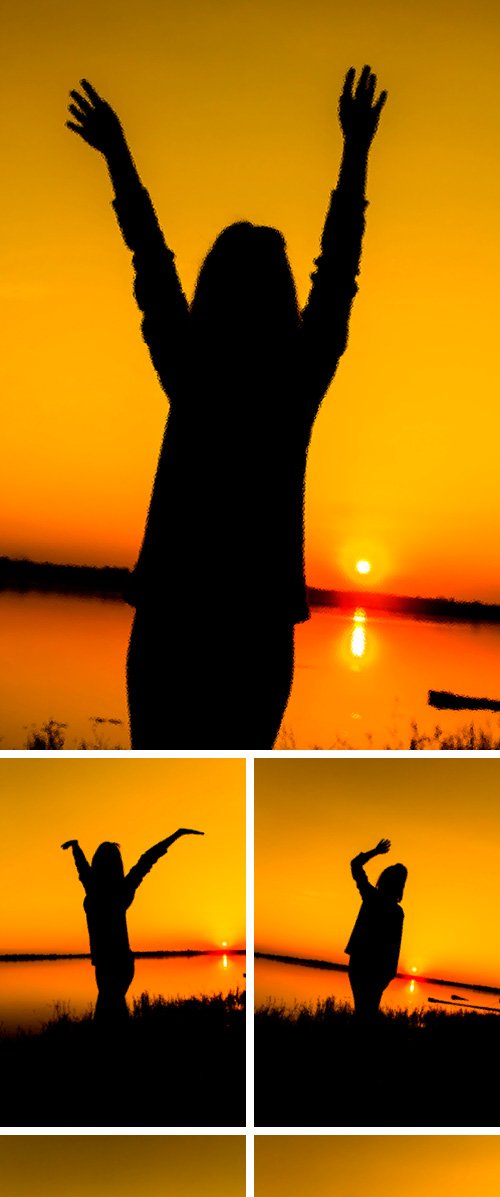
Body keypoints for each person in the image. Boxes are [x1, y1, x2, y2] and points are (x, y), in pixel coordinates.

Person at [67, 66, 387, 749]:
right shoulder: (291, 383)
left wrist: (118, 155)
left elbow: (150, 260)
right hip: (251, 632)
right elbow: (338, 274)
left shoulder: (194, 369)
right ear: (280, 300)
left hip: (173, 623)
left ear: (211, 290)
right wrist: (355, 150)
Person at [62, 827, 203, 1022]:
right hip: (104, 963)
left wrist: (175, 835)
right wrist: (75, 847)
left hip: (117, 963)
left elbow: (148, 859)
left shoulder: (110, 888)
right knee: (111, 1014)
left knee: (106, 1014)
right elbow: (82, 865)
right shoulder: (98, 886)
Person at [346, 837, 407, 1021]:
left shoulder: (372, 896)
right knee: (367, 1015)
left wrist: (375, 852)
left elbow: (355, 864)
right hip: (376, 969)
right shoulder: (395, 911)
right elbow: (394, 948)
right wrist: (388, 975)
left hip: (362, 964)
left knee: (363, 1014)